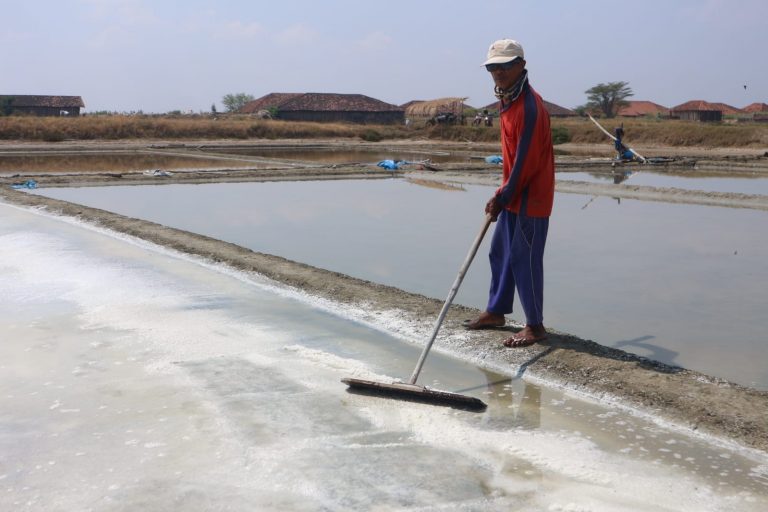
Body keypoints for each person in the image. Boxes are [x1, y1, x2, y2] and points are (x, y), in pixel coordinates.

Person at [463, 39, 555, 348]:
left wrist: (503, 195)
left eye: (504, 65)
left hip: (531, 195)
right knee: (500, 251)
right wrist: (504, 193)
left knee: (524, 258)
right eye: (492, 67)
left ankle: (535, 326)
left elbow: (526, 162)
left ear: (521, 66)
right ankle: (497, 311)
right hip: (513, 191)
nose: (497, 72)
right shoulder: (507, 102)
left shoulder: (528, 107)